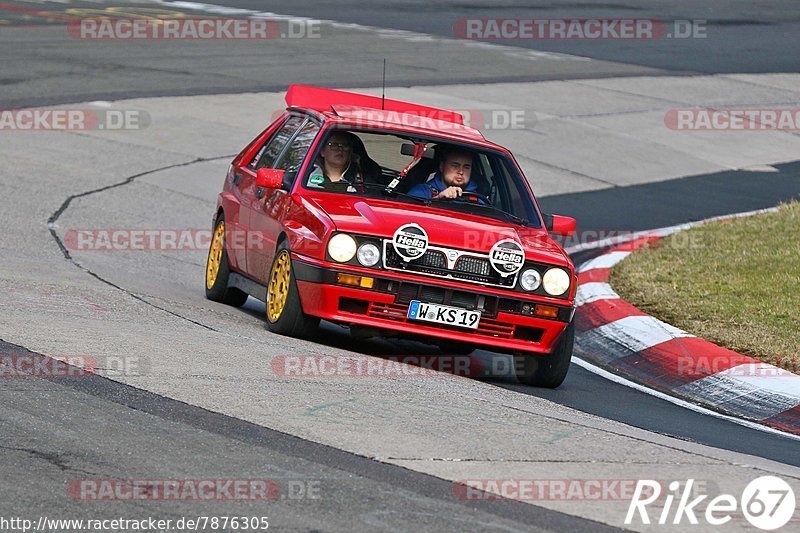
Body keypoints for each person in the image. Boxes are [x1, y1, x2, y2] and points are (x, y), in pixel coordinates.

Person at [407, 146, 481, 201]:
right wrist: (437, 199)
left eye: (466, 167)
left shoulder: (478, 200)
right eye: (455, 166)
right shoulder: (421, 192)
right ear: (442, 166)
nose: (461, 172)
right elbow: (407, 215)